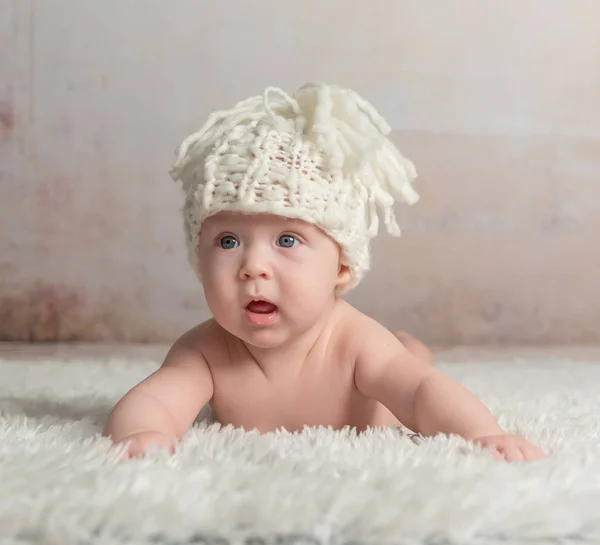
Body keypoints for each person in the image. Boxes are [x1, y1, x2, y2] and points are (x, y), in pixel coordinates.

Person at [103, 82, 544, 462]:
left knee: (406, 363)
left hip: (384, 386)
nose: (253, 266)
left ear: (342, 266)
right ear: (199, 259)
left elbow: (418, 393)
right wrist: (143, 434)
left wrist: (483, 434)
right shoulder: (204, 351)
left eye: (288, 240)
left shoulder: (355, 342)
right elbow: (155, 400)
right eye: (228, 241)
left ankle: (411, 346)